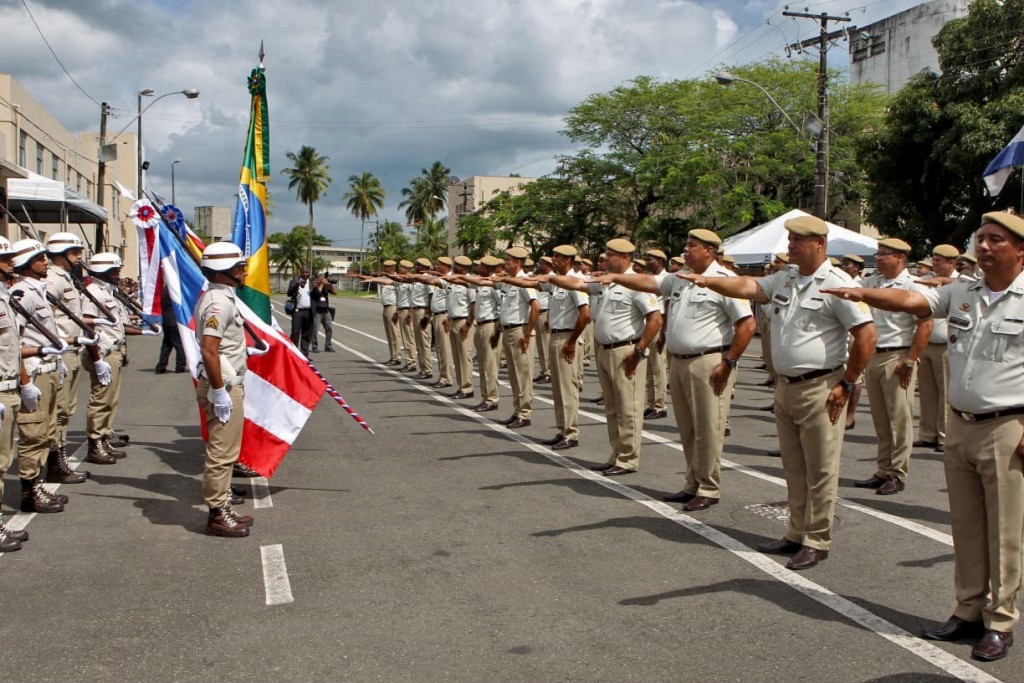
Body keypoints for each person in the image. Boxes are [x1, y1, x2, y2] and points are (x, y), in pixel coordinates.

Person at [821, 212, 1024, 662]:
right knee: (967, 527)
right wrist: (862, 292)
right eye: (981, 239)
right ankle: (968, 610)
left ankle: (1000, 620)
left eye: (996, 240)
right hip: (962, 425)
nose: (985, 247)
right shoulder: (962, 291)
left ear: (1020, 250)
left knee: (1005, 532)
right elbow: (914, 303)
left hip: (1009, 427)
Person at [679, 215, 876, 570]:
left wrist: (847, 383)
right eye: (789, 239)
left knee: (820, 468)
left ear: (819, 244)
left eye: (797, 241)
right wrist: (709, 282)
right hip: (787, 387)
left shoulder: (836, 282)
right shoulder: (785, 277)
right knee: (794, 466)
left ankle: (817, 538)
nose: (789, 245)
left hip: (821, 386)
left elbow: (866, 335)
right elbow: (751, 289)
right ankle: (795, 532)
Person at [597, 230, 755, 509]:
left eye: (692, 246)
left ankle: (708, 487)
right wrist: (616, 277)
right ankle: (692, 482)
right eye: (686, 244)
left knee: (708, 427)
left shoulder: (726, 281)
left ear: (709, 250)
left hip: (708, 361)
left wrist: (729, 362)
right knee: (687, 428)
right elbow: (649, 282)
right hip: (680, 361)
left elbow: (746, 325)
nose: (685, 249)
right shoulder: (681, 278)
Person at [545, 239, 662, 475]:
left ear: (626, 257)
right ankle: (616, 454)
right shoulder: (607, 283)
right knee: (612, 407)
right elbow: (577, 284)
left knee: (628, 407)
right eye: (606, 254)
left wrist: (639, 349)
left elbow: (655, 318)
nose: (605, 259)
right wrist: (549, 278)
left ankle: (628, 458)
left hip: (626, 350)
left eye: (610, 255)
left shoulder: (636, 284)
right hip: (604, 349)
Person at [853, 238, 933, 496]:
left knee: (900, 419)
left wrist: (911, 359)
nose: (878, 258)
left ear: (900, 257)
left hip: (897, 356)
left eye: (884, 254)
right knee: (880, 419)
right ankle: (883, 469)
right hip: (874, 356)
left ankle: (897, 473)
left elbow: (925, 324)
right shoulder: (872, 283)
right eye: (877, 254)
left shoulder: (912, 285)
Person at [195, 242, 257, 538]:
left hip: (228, 380)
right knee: (221, 453)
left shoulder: (223, 298)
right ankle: (217, 514)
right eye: (239, 266)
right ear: (225, 271)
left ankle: (222, 506)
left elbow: (224, 346)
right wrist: (219, 391)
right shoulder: (219, 303)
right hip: (223, 385)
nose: (244, 271)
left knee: (227, 450)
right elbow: (209, 350)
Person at [504, 245, 591, 449]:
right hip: (556, 335)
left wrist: (571, 341)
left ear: (568, 260)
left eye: (558, 257)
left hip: (567, 337)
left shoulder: (573, 282)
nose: (554, 260)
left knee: (568, 388)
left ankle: (571, 432)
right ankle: (563, 430)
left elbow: (585, 314)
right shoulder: (557, 282)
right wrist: (501, 279)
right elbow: (531, 284)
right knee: (558, 388)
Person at [9, 239, 70, 513]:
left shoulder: (38, 290)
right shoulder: (23, 293)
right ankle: (29, 492)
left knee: (46, 431)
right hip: (34, 373)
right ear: (26, 264)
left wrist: (56, 358)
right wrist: (25, 381)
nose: (46, 261)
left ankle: (37, 483)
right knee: (33, 434)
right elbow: (14, 342)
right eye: (40, 258)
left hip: (49, 368)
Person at [80, 253, 154, 464]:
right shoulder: (93, 293)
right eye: (114, 271)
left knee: (111, 400)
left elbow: (118, 325)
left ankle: (104, 439)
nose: (118, 274)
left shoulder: (109, 292)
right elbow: (88, 327)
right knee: (101, 401)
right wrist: (97, 360)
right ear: (103, 272)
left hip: (114, 350)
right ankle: (94, 443)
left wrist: (144, 332)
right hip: (103, 353)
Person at [43, 232, 104, 484]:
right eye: (74, 252)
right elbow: (45, 320)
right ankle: (55, 463)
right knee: (58, 411)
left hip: (72, 349)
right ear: (61, 255)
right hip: (61, 351)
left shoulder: (67, 278)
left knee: (66, 410)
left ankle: (61, 459)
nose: (79, 256)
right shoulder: (52, 279)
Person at [0, 237, 32, 548]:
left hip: (9, 389)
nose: (11, 261)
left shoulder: (4, 297)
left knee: (3, 460)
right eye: (5, 257)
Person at [914, 244, 961, 452]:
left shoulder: (962, 282)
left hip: (946, 346)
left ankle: (944, 436)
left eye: (939, 260)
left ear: (951, 263)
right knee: (927, 391)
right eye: (933, 259)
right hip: (926, 343)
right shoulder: (925, 281)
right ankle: (927, 433)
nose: (934, 263)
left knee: (945, 394)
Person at [494, 247, 539, 428]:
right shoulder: (508, 282)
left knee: (523, 374)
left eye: (508, 260)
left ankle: (525, 413)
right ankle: (517, 410)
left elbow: (535, 307)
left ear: (518, 263)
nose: (505, 263)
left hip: (519, 331)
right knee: (513, 374)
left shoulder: (524, 281)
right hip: (508, 330)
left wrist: (527, 333)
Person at [642, 248, 669, 420]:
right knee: (648, 368)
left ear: (659, 261)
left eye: (649, 259)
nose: (646, 262)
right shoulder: (649, 278)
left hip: (658, 325)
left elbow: (667, 307)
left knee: (658, 367)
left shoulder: (666, 279)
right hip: (647, 325)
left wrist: (664, 332)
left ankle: (660, 405)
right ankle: (652, 403)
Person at [445, 256, 476, 399]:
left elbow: (474, 305)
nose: (454, 267)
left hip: (463, 322)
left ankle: (467, 387)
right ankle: (461, 385)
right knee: (456, 356)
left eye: (456, 266)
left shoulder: (469, 283)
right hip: (453, 321)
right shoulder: (455, 283)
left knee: (464, 355)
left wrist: (468, 324)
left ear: (463, 268)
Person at [154, 284, 186, 373]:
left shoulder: (164, 289)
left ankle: (161, 366)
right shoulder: (175, 290)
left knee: (167, 345)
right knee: (178, 344)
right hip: (175, 319)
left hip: (166, 319)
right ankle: (180, 366)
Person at [532, 257, 553, 385]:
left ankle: (549, 372)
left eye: (542, 264)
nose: (539, 265)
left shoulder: (552, 278)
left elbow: (553, 299)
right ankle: (543, 370)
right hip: (538, 313)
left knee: (545, 344)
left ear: (548, 265)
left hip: (545, 313)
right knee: (540, 345)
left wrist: (550, 317)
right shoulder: (540, 276)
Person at [287, 267, 313, 355]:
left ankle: (304, 354)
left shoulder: (312, 283)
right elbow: (289, 293)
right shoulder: (294, 281)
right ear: (300, 272)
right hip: (298, 311)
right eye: (303, 272)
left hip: (309, 311)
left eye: (307, 272)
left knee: (307, 333)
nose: (305, 274)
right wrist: (296, 285)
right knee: (295, 332)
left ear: (309, 273)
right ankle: (293, 353)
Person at [309, 272, 337, 353]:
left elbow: (335, 293)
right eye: (322, 278)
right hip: (317, 312)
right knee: (315, 330)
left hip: (326, 311)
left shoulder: (326, 286)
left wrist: (330, 284)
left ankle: (328, 346)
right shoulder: (314, 286)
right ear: (318, 279)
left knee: (329, 328)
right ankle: (314, 346)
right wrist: (321, 283)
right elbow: (317, 292)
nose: (324, 279)